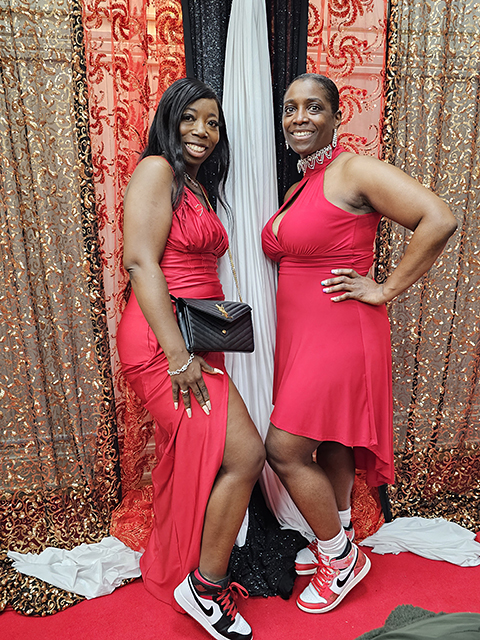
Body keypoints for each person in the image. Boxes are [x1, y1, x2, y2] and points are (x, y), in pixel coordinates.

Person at [261, 73, 457, 614]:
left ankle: (339, 558)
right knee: (331, 439)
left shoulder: (353, 170)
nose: (299, 118)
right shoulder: (303, 183)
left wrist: (385, 289)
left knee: (284, 448)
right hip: (305, 334)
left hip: (342, 330)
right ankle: (342, 531)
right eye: (290, 108)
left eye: (313, 107)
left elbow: (439, 218)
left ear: (336, 116)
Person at [117, 77, 265, 640]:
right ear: (169, 120)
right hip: (164, 343)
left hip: (197, 339)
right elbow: (140, 262)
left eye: (213, 122)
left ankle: (186, 568)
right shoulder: (157, 170)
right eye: (190, 118)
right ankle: (204, 587)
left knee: (197, 456)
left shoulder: (196, 185)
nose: (203, 130)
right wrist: (179, 357)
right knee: (246, 454)